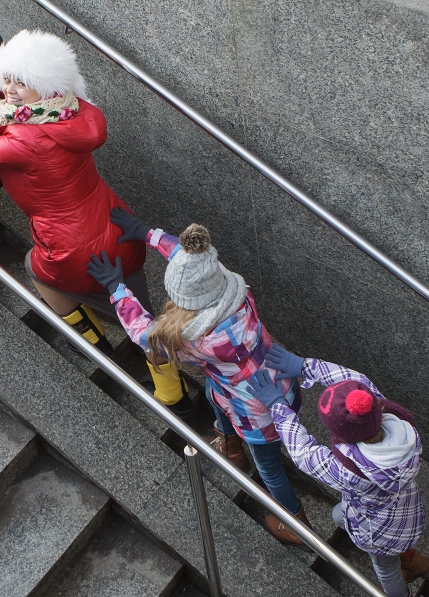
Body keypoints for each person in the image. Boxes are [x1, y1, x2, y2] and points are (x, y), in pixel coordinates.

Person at [0, 29, 190, 414]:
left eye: (22, 82)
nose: (12, 89)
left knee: (36, 267)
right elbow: (28, 108)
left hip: (70, 244)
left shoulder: (24, 139)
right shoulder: (75, 110)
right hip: (115, 224)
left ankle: (89, 338)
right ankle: (174, 395)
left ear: (45, 86)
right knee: (141, 311)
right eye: (9, 79)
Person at [87, 218, 308, 544]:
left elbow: (145, 335)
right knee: (213, 392)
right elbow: (193, 259)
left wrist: (116, 288)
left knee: (270, 468)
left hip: (258, 413)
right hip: (277, 382)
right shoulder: (235, 293)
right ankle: (232, 448)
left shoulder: (200, 340)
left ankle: (295, 523)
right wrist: (148, 233)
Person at [248, 347, 429, 596]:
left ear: (344, 436)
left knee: (386, 570)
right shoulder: (390, 418)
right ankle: (414, 560)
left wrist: (277, 406)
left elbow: (305, 454)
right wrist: (305, 365)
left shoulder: (349, 471)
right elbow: (356, 381)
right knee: (339, 516)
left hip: (378, 531)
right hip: (405, 509)